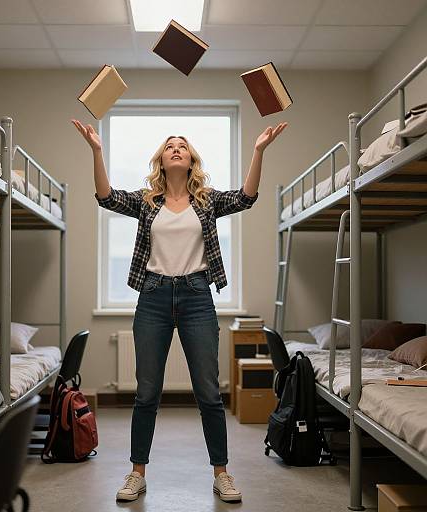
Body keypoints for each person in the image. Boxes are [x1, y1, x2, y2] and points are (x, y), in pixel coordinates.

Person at [72, 118, 287, 503]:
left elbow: (246, 197)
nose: (176, 148)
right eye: (170, 145)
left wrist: (258, 151)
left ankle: (222, 473)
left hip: (196, 296)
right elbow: (105, 197)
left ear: (190, 161)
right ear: (162, 158)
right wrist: (96, 150)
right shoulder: (146, 201)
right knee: (147, 393)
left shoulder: (206, 201)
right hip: (153, 297)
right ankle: (137, 473)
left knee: (208, 391)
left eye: (182, 146)